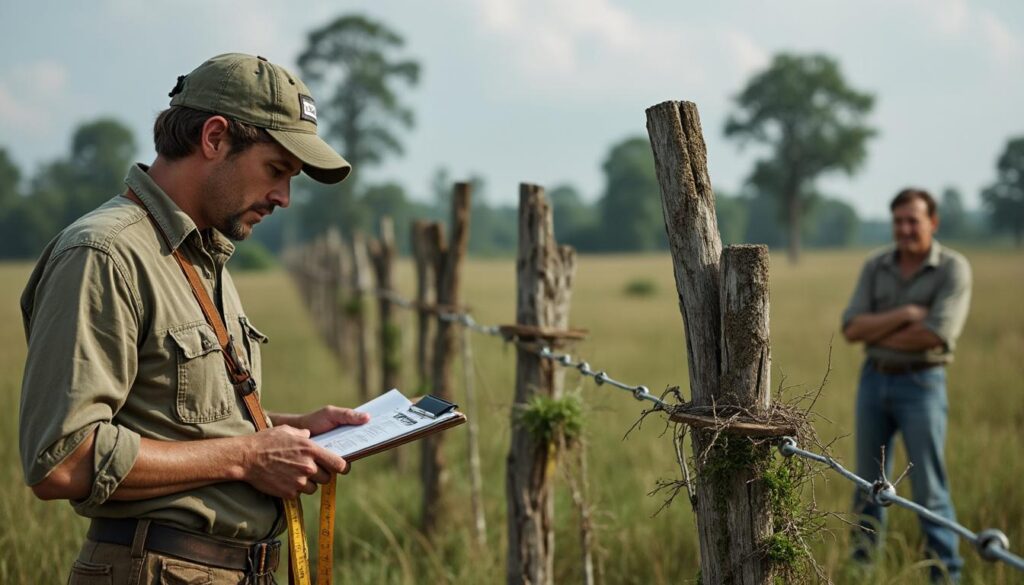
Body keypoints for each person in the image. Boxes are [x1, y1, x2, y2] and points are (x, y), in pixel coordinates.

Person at [19, 53, 369, 584]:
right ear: (214, 138)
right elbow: (62, 460)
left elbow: (180, 419)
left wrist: (288, 431)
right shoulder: (104, 254)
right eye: (276, 171)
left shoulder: (203, 256)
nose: (284, 197)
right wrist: (250, 455)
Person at [842, 188, 972, 583]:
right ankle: (861, 571)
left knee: (929, 489)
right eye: (898, 220)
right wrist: (905, 314)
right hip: (874, 380)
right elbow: (850, 326)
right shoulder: (876, 264)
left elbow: (936, 335)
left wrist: (877, 332)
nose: (904, 228)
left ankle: (945, 575)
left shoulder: (952, 268)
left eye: (913, 220)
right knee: (868, 485)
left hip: (923, 383)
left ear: (933, 222)